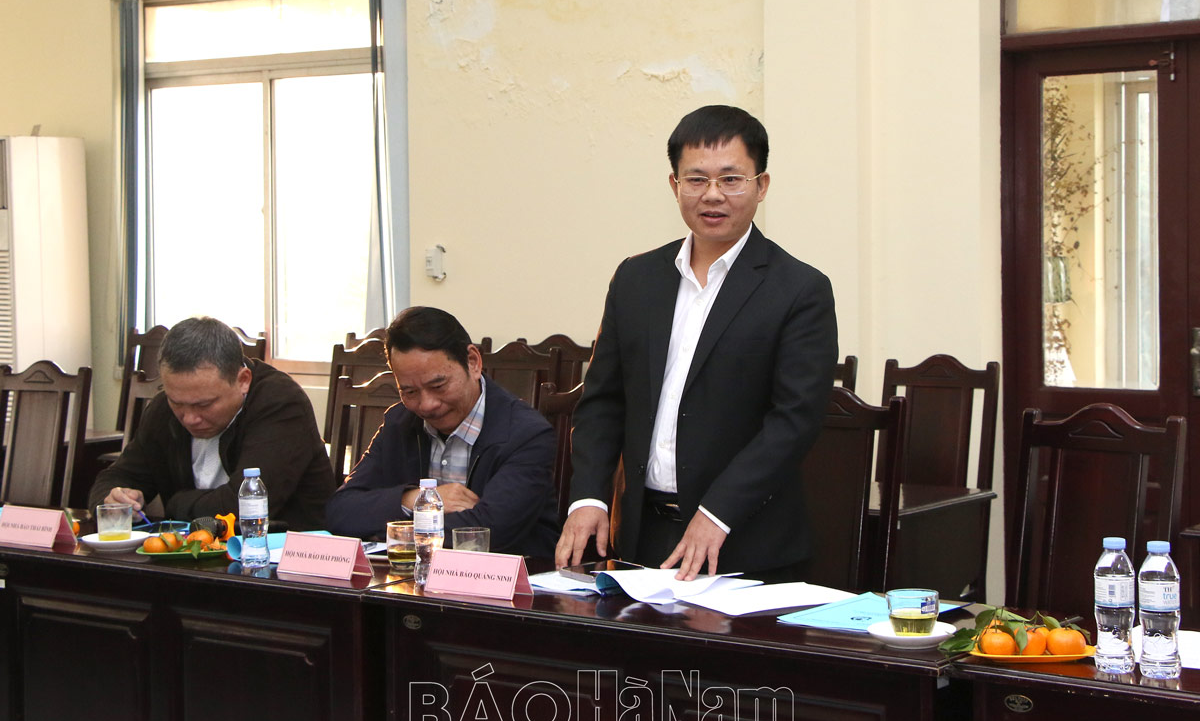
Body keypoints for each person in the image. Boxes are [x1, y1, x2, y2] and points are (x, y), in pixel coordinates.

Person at [555, 104, 838, 582]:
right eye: (696, 179)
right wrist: (589, 498)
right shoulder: (636, 279)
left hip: (744, 542)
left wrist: (718, 512)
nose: (712, 195)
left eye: (731, 179)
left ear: (761, 185)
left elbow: (794, 420)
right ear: (675, 185)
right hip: (641, 537)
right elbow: (602, 401)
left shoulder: (799, 289)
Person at [325, 306, 560, 557]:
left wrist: (393, 527)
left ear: (473, 362)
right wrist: (419, 500)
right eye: (410, 392)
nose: (427, 405)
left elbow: (491, 531)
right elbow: (340, 512)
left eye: (438, 386)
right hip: (413, 575)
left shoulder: (526, 433)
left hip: (510, 575)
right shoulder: (400, 422)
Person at [89, 316, 335, 530]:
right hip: (194, 557)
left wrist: (176, 504)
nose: (189, 418)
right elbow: (116, 478)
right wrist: (113, 500)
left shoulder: (281, 403)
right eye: (177, 402)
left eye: (204, 405)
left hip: (284, 556)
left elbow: (244, 507)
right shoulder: (164, 408)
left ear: (243, 380)